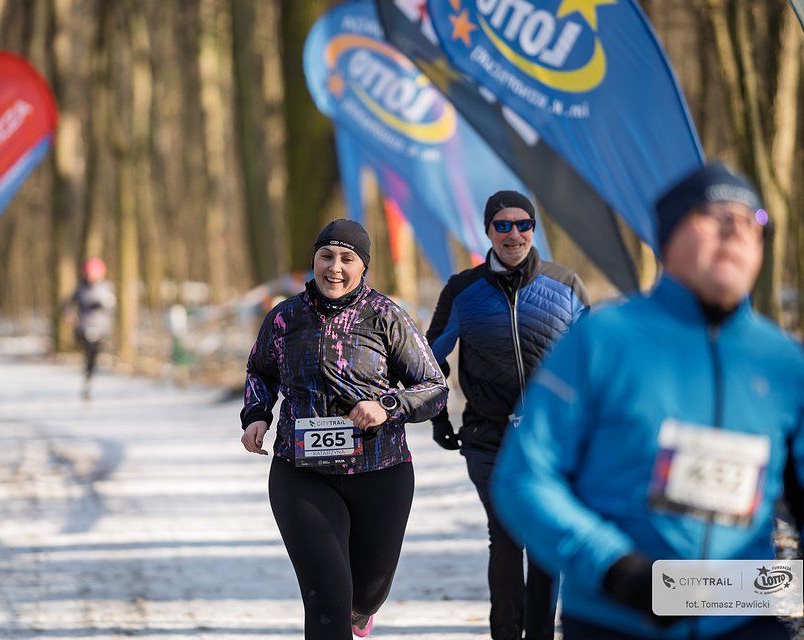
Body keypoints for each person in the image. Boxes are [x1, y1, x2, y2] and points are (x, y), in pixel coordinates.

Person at [490, 161, 804, 640]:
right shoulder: (602, 341)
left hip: (745, 618)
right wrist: (618, 569)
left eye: (752, 221)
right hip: (616, 617)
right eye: (714, 215)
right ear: (669, 237)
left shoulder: (783, 362)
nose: (735, 230)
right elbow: (524, 478)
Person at [240, 219, 448, 640]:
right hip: (302, 474)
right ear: (313, 261)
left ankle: (362, 610)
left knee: (365, 594)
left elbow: (434, 389)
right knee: (327, 595)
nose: (335, 268)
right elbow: (259, 371)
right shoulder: (284, 318)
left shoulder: (388, 317)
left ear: (363, 267)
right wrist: (257, 413)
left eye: (347, 259)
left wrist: (387, 406)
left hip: (380, 473)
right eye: (326, 256)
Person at [425, 190, 589, 640]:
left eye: (522, 224)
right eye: (502, 225)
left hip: (553, 441)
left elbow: (594, 363)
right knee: (507, 534)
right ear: (488, 231)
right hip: (487, 436)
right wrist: (440, 416)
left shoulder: (567, 285)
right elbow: (427, 358)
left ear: (534, 230)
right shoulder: (463, 290)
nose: (513, 234)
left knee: (543, 542)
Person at [63, 257, 116, 399]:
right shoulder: (80, 288)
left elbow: (112, 306)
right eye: (88, 273)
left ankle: (89, 377)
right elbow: (68, 303)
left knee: (94, 355)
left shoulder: (106, 287)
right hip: (84, 326)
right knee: (89, 351)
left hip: (101, 327)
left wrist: (104, 305)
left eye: (94, 273)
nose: (90, 276)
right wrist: (69, 314)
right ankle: (88, 378)